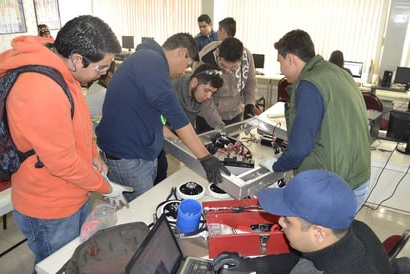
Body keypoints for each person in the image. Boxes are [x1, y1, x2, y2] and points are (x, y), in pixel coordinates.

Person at [0, 15, 133, 271]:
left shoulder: (61, 68)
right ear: (77, 58)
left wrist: (93, 153)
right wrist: (105, 187)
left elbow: (79, 121)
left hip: (72, 192)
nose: (104, 73)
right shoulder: (41, 89)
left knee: (77, 259)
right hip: (49, 206)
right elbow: (62, 164)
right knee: (58, 267)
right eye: (101, 68)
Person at [96, 33, 231, 202]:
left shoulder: (148, 61)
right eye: (187, 65)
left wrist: (187, 146)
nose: (184, 71)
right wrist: (204, 157)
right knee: (144, 211)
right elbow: (175, 115)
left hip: (139, 155)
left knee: (145, 205)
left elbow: (159, 122)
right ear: (182, 52)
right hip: (129, 158)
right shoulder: (151, 62)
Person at [262, 29, 370, 210]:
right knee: (336, 235)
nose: (281, 70)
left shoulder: (309, 83)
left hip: (332, 186)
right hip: (358, 177)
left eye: (280, 62)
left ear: (290, 59)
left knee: (313, 235)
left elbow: (299, 148)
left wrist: (277, 165)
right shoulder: (339, 73)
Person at [211, 169, 392, 274]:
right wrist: (254, 265)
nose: (280, 222)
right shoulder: (357, 230)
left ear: (319, 233)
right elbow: (308, 255)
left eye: (288, 221)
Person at [155, 63, 224, 184]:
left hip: (176, 136)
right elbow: (159, 126)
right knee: (158, 170)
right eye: (207, 90)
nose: (208, 96)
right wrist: (190, 147)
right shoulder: (170, 90)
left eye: (212, 93)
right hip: (155, 136)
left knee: (164, 171)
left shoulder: (201, 94)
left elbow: (211, 114)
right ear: (194, 82)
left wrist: (222, 131)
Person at [196, 17, 257, 133]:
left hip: (235, 115)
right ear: (218, 52)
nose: (228, 71)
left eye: (233, 67)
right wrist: (220, 126)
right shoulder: (204, 62)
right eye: (223, 66)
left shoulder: (246, 56)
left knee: (233, 149)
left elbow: (251, 81)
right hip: (208, 119)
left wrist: (249, 106)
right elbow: (204, 100)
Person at [85, 60, 116, 129]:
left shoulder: (94, 84)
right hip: (94, 126)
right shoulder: (105, 93)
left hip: (88, 123)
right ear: (110, 74)